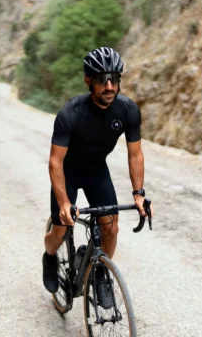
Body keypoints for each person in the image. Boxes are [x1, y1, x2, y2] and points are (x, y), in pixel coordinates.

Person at [42, 47, 154, 302]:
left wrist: (138, 194)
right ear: (88, 81)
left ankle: (100, 271)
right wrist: (64, 203)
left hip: (96, 171)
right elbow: (55, 162)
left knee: (111, 228)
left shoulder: (128, 110)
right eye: (102, 80)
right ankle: (49, 257)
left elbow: (135, 155)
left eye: (114, 78)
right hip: (68, 172)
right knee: (60, 232)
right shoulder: (71, 113)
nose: (109, 86)